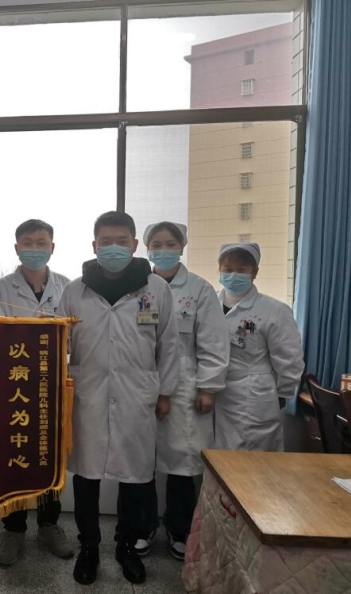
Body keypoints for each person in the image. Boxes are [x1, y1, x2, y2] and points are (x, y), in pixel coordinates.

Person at [58, 211, 179, 586]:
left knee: (136, 478)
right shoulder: (74, 291)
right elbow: (58, 345)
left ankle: (126, 546)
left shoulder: (155, 289)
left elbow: (169, 345)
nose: (114, 248)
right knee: (86, 476)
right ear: (94, 246)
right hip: (87, 396)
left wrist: (165, 392)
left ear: (134, 245)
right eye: (106, 242)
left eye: (121, 241)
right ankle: (89, 547)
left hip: (137, 396)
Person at [0, 219, 74, 566]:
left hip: (53, 385)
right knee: (15, 455)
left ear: (52, 248)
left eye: (41, 243)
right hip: (15, 387)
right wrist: (37, 331)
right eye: (28, 243)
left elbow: (76, 338)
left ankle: (49, 525)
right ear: (17, 248)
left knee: (50, 455)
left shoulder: (68, 287)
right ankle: (13, 529)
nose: (34, 248)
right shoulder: (0, 289)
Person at [143, 222, 230, 561]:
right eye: (157, 244)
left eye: (170, 243)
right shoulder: (140, 285)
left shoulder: (199, 289)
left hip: (184, 386)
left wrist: (208, 386)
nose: (163, 249)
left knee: (183, 460)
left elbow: (213, 341)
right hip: (142, 379)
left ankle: (179, 529)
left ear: (182, 247)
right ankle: (142, 526)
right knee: (140, 459)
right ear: (147, 248)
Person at [214, 243, 305, 452]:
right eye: (228, 269)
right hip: (215, 394)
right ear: (219, 270)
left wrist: (282, 393)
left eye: (242, 269)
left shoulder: (274, 310)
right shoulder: (208, 305)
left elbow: (290, 359)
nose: (234, 275)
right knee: (216, 457)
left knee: (253, 457)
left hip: (253, 396)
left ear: (254, 272)